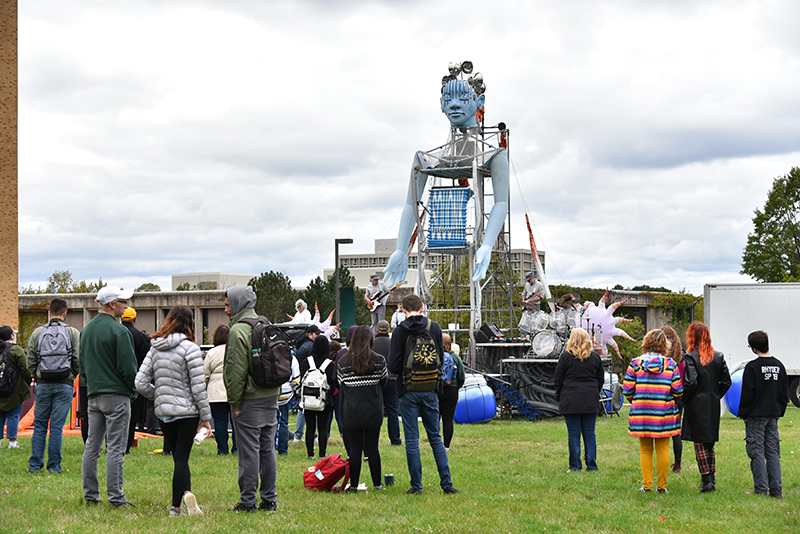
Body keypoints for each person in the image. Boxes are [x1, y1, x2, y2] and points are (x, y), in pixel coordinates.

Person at [383, 64, 509, 285]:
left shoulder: (495, 155)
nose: (454, 104)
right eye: (448, 99)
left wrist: (487, 245)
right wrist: (401, 249)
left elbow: (501, 203)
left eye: (462, 98)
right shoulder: (424, 158)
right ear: (441, 105)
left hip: (473, 239)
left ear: (479, 102)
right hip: (440, 237)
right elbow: (411, 204)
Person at [135, 305, 211, 517]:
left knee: (179, 457)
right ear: (190, 324)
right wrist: (205, 418)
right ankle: (175, 507)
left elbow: (140, 382)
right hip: (187, 413)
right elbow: (198, 388)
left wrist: (158, 395)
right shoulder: (191, 349)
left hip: (165, 413)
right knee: (182, 458)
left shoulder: (155, 348)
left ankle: (186, 493)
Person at [388, 294, 458, 495]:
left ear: (403, 309)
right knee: (435, 437)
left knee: (412, 439)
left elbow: (393, 365)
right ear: (421, 308)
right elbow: (441, 356)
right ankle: (447, 484)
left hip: (408, 389)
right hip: (430, 388)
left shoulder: (399, 331)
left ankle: (416, 486)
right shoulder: (434, 327)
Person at [223, 285, 280, 512]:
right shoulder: (265, 324)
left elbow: (235, 372)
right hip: (271, 396)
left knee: (248, 453)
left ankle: (248, 502)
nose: (226, 309)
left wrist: (234, 403)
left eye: (228, 304)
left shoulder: (238, 331)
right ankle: (270, 499)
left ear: (238, 304)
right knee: (268, 451)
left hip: (249, 400)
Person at [80, 285, 137, 508]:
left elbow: (82, 366)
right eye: (123, 302)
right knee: (115, 448)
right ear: (112, 304)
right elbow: (129, 369)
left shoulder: (86, 330)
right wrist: (132, 390)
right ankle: (116, 497)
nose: (126, 306)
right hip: (117, 396)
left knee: (92, 447)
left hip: (93, 395)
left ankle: (91, 495)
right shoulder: (119, 331)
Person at [623, 329, 682, 493]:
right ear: (665, 345)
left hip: (641, 414)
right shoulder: (671, 365)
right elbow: (678, 390)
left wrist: (638, 402)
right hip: (664, 413)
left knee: (645, 450)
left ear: (646, 342)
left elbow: (627, 390)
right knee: (663, 449)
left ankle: (647, 485)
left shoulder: (635, 364)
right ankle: (662, 487)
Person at [25, 298, 80, 473]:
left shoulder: (37, 333)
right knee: (56, 426)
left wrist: (36, 375)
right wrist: (72, 375)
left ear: (49, 313)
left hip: (43, 383)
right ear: (65, 313)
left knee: (40, 425)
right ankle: (54, 466)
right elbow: (78, 359)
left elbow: (30, 360)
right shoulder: (72, 332)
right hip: (64, 383)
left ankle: (35, 465)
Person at [337, 326, 388, 491]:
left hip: (351, 411)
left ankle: (353, 484)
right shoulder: (379, 361)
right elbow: (384, 381)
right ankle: (377, 484)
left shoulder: (343, 362)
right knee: (373, 447)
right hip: (373, 410)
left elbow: (340, 382)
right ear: (370, 340)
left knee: (355, 448)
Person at [682, 321, 731, 493]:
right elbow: (727, 381)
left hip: (696, 404)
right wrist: (716, 394)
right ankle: (711, 477)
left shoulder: (689, 357)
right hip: (712, 404)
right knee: (709, 443)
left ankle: (707, 481)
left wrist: (685, 399)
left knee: (699, 444)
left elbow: (691, 382)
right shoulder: (718, 356)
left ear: (692, 337)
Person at [739, 330, 788, 498]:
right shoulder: (779, 366)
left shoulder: (752, 367)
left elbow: (747, 394)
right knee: (773, 452)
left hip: (755, 416)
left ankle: (761, 489)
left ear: (753, 349)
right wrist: (779, 411)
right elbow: (784, 394)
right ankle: (776, 491)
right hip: (773, 416)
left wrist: (743, 413)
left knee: (756, 451)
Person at [553, 328, 603, 472]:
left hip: (570, 399)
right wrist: (594, 393)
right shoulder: (595, 357)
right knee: (590, 434)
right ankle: (592, 465)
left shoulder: (565, 357)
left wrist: (560, 394)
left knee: (573, 434)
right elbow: (600, 378)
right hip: (589, 399)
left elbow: (558, 378)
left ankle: (575, 465)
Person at [121, 306, 152, 454]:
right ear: (134, 319)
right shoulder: (141, 337)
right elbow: (147, 361)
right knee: (132, 417)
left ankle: (113, 445)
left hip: (117, 380)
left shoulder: (116, 333)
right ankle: (126, 446)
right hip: (136, 380)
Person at [299, 335, 334, 459]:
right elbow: (332, 383)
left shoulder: (307, 361)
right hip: (323, 400)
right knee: (323, 427)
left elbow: (301, 378)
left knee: (310, 427)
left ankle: (310, 453)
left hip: (308, 399)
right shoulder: (329, 364)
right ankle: (322, 453)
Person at [204, 324, 237, 455]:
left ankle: (222, 450)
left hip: (216, 392)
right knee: (236, 423)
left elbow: (205, 373)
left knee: (220, 422)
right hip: (233, 390)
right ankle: (237, 449)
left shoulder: (212, 352)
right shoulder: (234, 350)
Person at [0, 326, 31, 450]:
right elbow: (25, 369)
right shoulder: (16, 350)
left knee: (0, 415)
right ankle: (12, 442)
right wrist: (28, 382)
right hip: (14, 389)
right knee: (13, 415)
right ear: (11, 336)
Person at [660, 325, 685, 473]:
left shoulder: (661, 358)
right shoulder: (682, 357)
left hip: (661, 395)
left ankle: (661, 459)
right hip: (678, 396)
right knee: (676, 431)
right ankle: (677, 463)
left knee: (660, 430)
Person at [373, 320, 401, 446]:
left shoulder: (371, 343)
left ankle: (373, 439)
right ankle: (395, 440)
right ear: (388, 330)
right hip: (392, 379)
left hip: (376, 381)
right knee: (392, 411)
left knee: (376, 412)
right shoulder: (393, 343)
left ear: (377, 330)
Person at [292, 324, 321, 443]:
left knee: (303, 407)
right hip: (309, 380)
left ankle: (300, 435)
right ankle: (303, 435)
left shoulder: (301, 345)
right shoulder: (311, 347)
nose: (318, 336)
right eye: (316, 334)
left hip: (301, 379)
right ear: (310, 334)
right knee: (308, 406)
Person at [439, 333, 466, 451]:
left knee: (435, 418)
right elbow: (462, 376)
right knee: (448, 420)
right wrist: (456, 387)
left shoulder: (436, 356)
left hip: (438, 389)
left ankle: (436, 444)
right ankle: (446, 446)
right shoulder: (455, 357)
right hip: (452, 390)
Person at [276, 349, 300, 456]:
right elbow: (296, 379)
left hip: (268, 392)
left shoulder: (267, 353)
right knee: (283, 422)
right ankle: (283, 450)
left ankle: (268, 448)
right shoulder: (291, 357)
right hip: (285, 393)